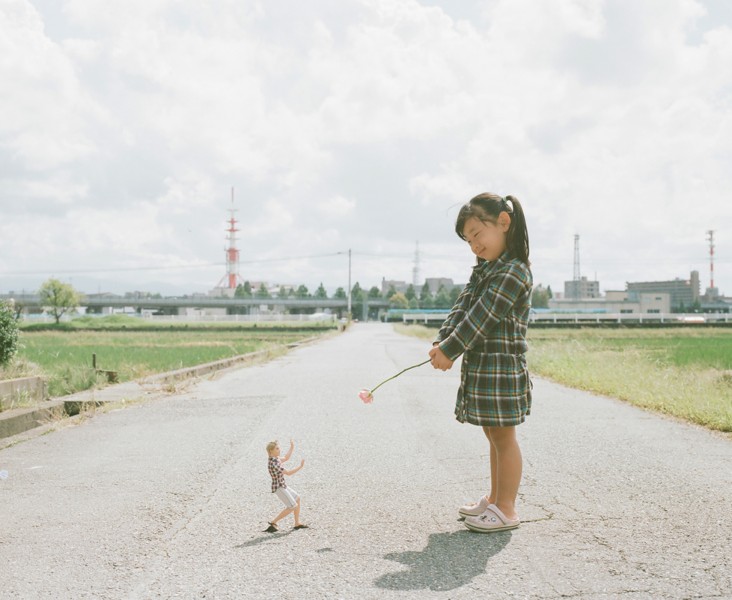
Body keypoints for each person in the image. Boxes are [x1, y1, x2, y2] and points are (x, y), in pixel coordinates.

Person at [428, 193, 532, 533]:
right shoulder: (486, 269)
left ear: (503, 223)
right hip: (485, 365)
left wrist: (452, 349)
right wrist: (442, 342)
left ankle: (507, 508)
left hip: (502, 367)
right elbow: (462, 308)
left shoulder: (514, 272)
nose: (474, 244)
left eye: (477, 234)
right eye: (468, 240)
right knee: (494, 435)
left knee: (504, 437)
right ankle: (495, 498)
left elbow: (482, 317)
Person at [265, 439, 307, 532]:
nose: (279, 450)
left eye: (278, 448)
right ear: (270, 451)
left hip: (282, 485)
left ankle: (297, 523)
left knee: (297, 498)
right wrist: (300, 467)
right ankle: (273, 522)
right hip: (279, 487)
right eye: (277, 449)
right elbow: (288, 473)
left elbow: (286, 457)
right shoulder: (274, 463)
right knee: (292, 506)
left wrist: (292, 447)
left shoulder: (276, 459)